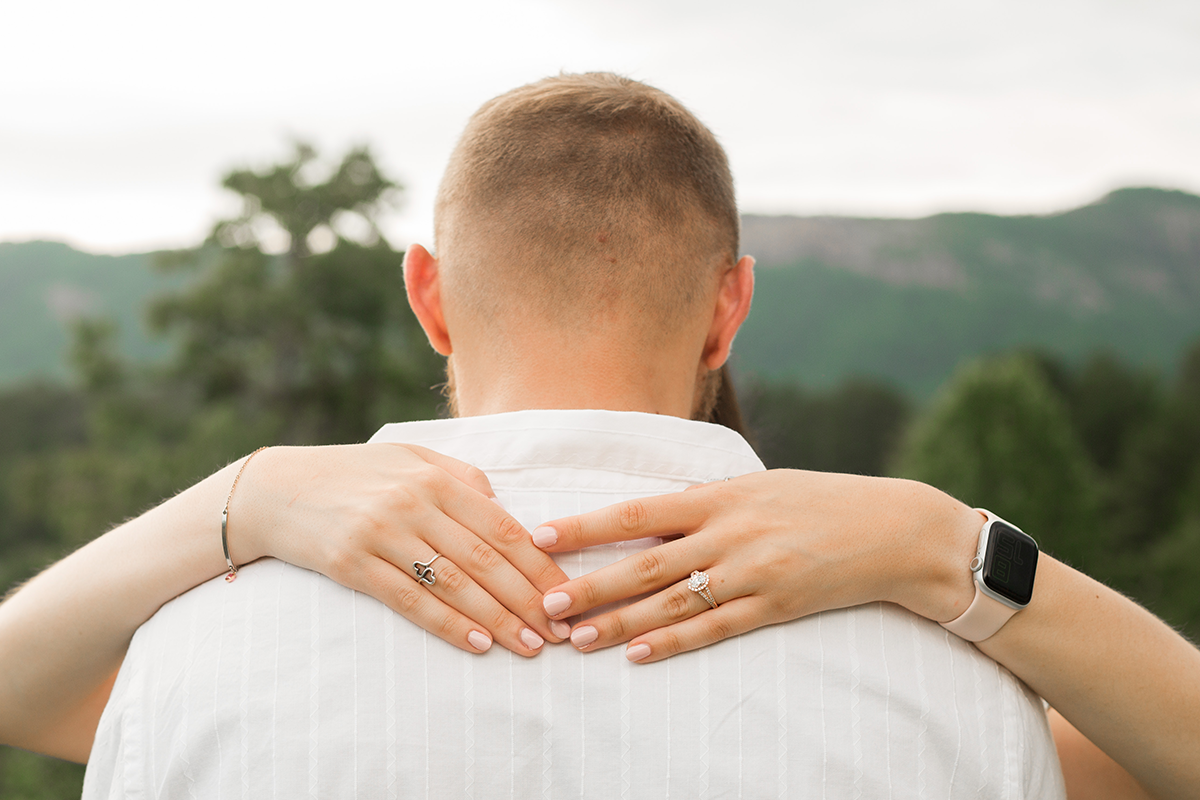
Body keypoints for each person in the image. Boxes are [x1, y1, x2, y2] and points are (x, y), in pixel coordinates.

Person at [0, 72, 1194, 797]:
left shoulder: (196, 655)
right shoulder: (962, 680)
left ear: (428, 295)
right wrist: (949, 543)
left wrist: (236, 500)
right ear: (731, 307)